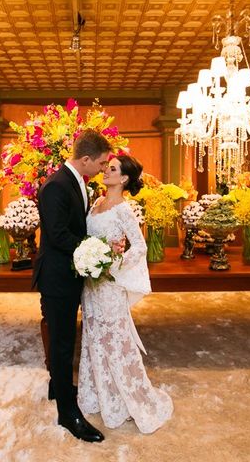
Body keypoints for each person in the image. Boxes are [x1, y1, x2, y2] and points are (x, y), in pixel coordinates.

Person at [78, 154, 173, 434]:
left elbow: (139, 247)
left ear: (124, 179)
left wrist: (112, 266)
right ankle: (100, 394)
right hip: (90, 285)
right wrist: (90, 260)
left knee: (114, 340)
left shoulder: (123, 209)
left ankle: (127, 397)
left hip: (109, 285)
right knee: (93, 336)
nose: (106, 170)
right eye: (107, 166)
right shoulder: (96, 203)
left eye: (113, 168)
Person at [33, 129, 112, 443]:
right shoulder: (56, 186)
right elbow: (58, 235)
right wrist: (96, 249)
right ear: (86, 159)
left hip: (69, 273)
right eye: (103, 163)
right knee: (64, 343)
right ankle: (68, 413)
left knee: (64, 337)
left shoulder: (77, 181)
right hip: (57, 277)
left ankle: (59, 385)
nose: (105, 168)